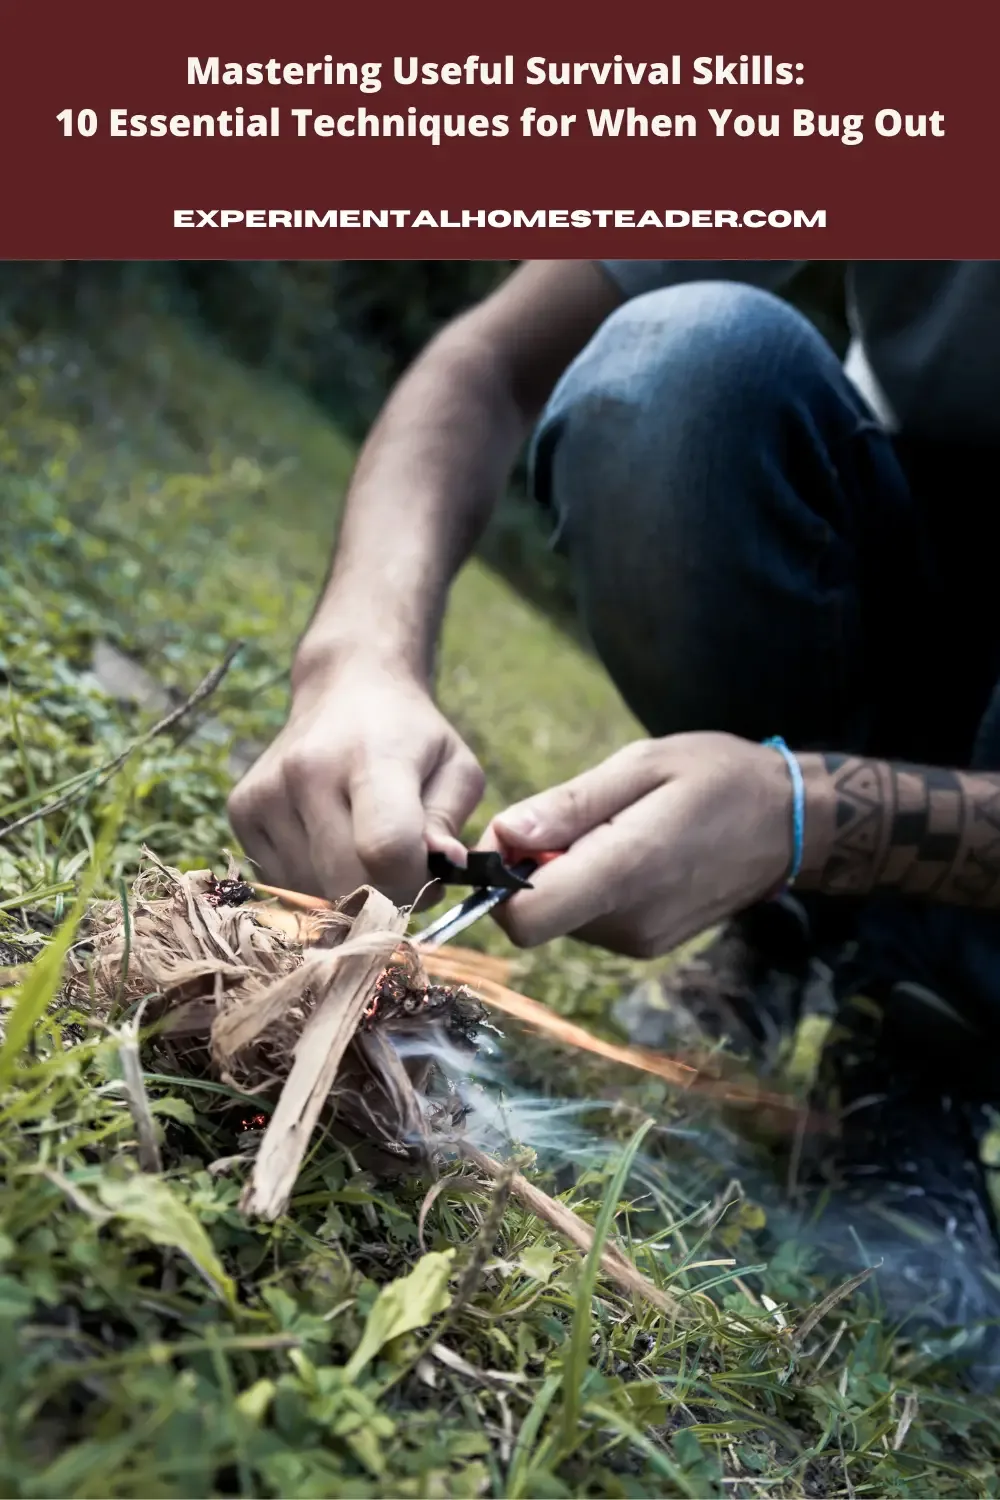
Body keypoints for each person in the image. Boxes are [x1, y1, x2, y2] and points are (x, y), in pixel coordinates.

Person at [229, 261, 1000, 1373]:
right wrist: (355, 661)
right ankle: (783, 922)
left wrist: (809, 817)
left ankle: (933, 1044)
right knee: (678, 374)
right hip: (881, 549)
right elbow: (489, 364)